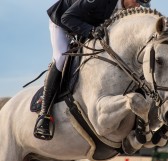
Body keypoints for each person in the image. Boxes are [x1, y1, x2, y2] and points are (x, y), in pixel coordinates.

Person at [33, 0, 151, 140]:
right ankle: (44, 113)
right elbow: (67, 17)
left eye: (141, 5)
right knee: (61, 57)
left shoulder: (128, 11)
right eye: (137, 1)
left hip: (85, 22)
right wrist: (91, 31)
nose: (137, 6)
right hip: (62, 21)